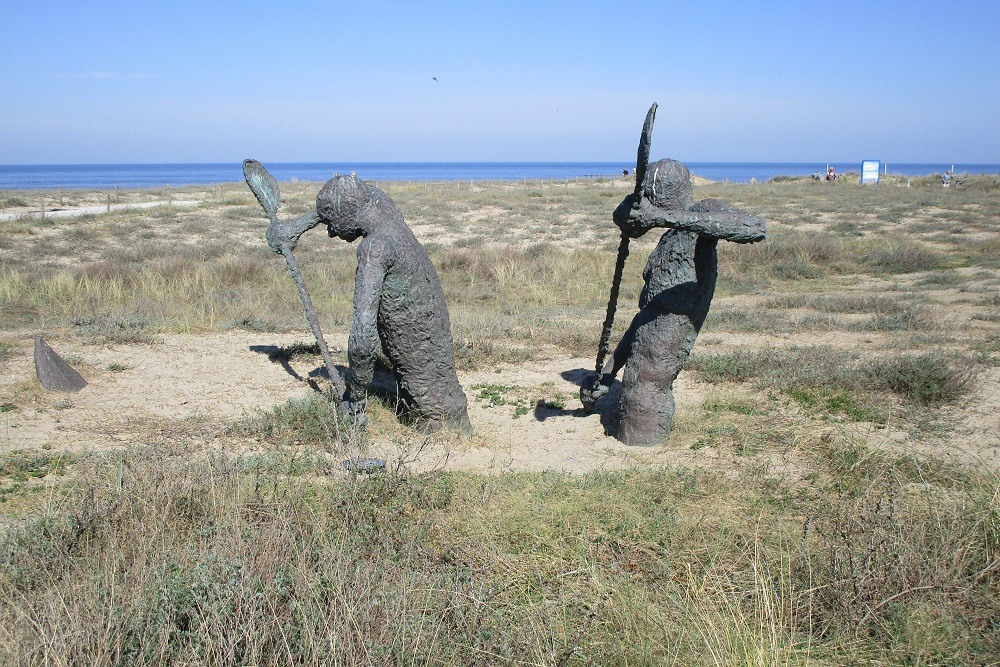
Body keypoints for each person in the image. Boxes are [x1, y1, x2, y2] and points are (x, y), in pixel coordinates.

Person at [266, 173, 472, 434]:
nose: (329, 232)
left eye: (331, 223)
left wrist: (356, 401)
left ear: (347, 212)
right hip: (446, 382)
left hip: (432, 414)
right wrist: (297, 226)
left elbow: (363, 340)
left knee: (431, 412)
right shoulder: (384, 210)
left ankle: (437, 427)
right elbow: (357, 195)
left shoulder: (375, 249)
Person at [581, 159, 766, 445]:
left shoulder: (700, 214)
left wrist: (664, 217)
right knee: (637, 380)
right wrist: (607, 373)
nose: (649, 203)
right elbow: (646, 317)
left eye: (654, 197)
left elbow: (754, 227)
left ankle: (644, 449)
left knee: (645, 384)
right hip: (655, 326)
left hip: (674, 327)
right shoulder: (670, 237)